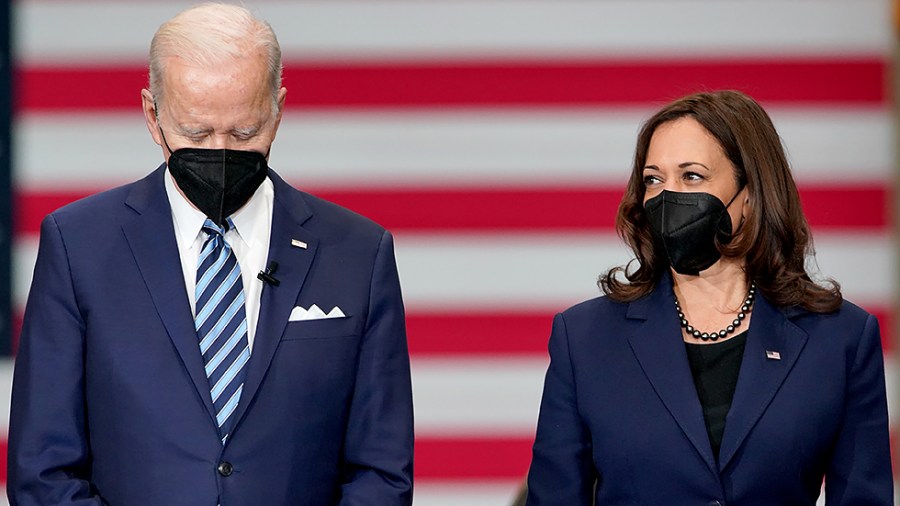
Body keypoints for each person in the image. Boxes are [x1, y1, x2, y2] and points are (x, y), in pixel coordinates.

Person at [8, 3, 413, 505]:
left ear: (279, 109)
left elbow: (381, 473)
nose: (221, 151)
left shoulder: (357, 252)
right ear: (152, 115)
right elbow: (43, 471)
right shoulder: (79, 246)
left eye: (245, 133)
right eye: (197, 134)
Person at [525, 90, 893, 505]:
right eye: (653, 179)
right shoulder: (585, 338)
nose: (667, 196)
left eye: (692, 176)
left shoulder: (840, 338)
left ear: (751, 193)